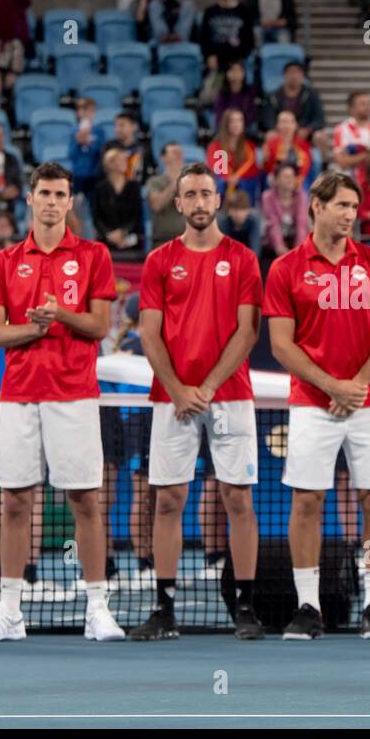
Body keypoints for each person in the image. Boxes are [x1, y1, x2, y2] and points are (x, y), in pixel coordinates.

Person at [0, 161, 126, 643]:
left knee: (84, 500)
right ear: (30, 199)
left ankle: (97, 608)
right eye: (45, 193)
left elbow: (100, 327)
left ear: (70, 201)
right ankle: (10, 612)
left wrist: (61, 314)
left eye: (61, 194)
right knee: (16, 500)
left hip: (74, 396)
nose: (53, 201)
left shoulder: (95, 255)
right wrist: (35, 328)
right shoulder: (4, 260)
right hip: (18, 397)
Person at [128, 161, 265, 640]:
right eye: (192, 195)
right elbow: (149, 333)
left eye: (209, 193)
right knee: (168, 499)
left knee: (238, 499)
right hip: (173, 400)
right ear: (178, 203)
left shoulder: (244, 259)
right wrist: (180, 389)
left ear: (218, 200)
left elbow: (248, 332)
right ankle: (164, 608)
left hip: (229, 397)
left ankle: (245, 607)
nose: (201, 202)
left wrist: (206, 387)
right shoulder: (159, 261)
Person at [264, 171, 370, 640]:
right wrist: (331, 387)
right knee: (307, 501)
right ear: (316, 206)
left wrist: (357, 385)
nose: (349, 214)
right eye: (341, 205)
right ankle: (308, 605)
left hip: (369, 401)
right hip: (311, 405)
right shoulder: (284, 269)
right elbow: (282, 345)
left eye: (354, 207)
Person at [93, 148, 145, 257]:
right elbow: (97, 218)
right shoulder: (99, 189)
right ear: (110, 163)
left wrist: (123, 232)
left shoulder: (134, 187)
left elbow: (136, 216)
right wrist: (109, 234)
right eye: (121, 159)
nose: (125, 162)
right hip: (106, 240)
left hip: (131, 240)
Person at [331, 91, 370, 186]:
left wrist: (356, 157)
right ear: (351, 109)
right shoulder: (342, 129)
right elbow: (342, 162)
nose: (368, 107)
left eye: (369, 103)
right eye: (363, 104)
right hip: (347, 182)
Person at [200, 0, 255, 74]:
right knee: (212, 87)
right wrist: (209, 56)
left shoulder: (244, 11)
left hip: (238, 59)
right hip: (215, 59)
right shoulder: (209, 12)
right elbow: (203, 37)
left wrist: (241, 58)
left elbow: (249, 38)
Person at [206, 108, 261, 203]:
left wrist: (236, 179)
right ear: (226, 124)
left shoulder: (250, 146)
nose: (236, 124)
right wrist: (228, 178)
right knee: (218, 182)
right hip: (222, 185)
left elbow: (252, 170)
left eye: (240, 120)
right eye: (232, 121)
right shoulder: (215, 146)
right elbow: (216, 168)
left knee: (249, 182)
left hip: (242, 184)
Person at [261, 61, 325, 140]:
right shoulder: (273, 96)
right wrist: (278, 128)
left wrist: (308, 129)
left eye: (297, 72)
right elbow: (267, 118)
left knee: (320, 136)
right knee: (270, 135)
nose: (294, 76)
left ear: (303, 75)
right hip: (280, 131)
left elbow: (319, 119)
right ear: (284, 75)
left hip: (303, 132)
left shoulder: (311, 95)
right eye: (291, 72)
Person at [260, 162, 308, 258]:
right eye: (286, 176)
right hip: (273, 244)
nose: (290, 180)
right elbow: (272, 224)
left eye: (293, 176)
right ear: (276, 180)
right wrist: (279, 247)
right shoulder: (267, 197)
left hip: (295, 241)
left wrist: (298, 249)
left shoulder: (301, 195)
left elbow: (301, 223)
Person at [146, 141, 188, 248]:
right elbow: (156, 205)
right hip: (162, 242)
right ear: (163, 158)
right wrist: (175, 183)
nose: (178, 155)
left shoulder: (191, 182)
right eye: (174, 152)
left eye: (180, 152)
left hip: (187, 241)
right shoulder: (155, 182)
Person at [261, 110, 314, 180]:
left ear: (295, 125)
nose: (286, 126)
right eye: (283, 122)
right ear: (277, 125)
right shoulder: (270, 144)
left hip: (298, 180)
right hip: (276, 180)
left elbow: (306, 167)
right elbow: (268, 169)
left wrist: (297, 181)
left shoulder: (303, 145)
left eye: (289, 122)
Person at [213, 61, 260, 136]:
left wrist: (240, 125)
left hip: (245, 125)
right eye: (233, 70)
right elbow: (219, 113)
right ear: (227, 73)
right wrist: (231, 124)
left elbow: (252, 113)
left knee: (253, 127)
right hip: (227, 124)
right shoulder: (222, 93)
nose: (236, 74)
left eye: (239, 70)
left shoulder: (250, 91)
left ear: (244, 73)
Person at [217, 188, 262, 254]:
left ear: (248, 210)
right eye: (235, 209)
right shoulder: (223, 221)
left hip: (247, 253)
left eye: (242, 209)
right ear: (229, 211)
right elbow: (223, 249)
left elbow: (255, 248)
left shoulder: (254, 220)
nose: (238, 214)